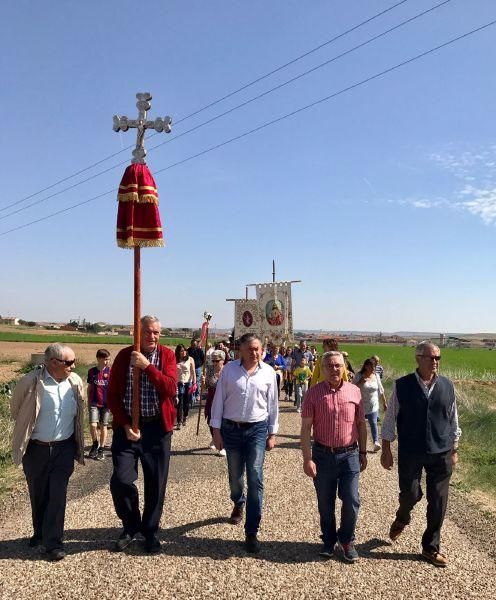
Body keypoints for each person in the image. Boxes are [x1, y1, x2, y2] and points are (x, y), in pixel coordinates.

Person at [381, 342, 461, 567]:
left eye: (438, 358)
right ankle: (403, 516)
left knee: (438, 500)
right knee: (411, 493)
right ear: (418, 358)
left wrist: (454, 448)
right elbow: (390, 419)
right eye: (430, 357)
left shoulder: (448, 386)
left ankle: (430, 547)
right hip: (411, 451)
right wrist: (386, 449)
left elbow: (453, 419)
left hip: (441, 451)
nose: (435, 361)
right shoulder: (402, 385)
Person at [107, 315, 177, 554]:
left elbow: (170, 387)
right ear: (137, 333)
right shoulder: (124, 356)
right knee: (121, 480)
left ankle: (150, 531)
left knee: (156, 483)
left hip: (157, 429)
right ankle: (130, 525)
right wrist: (125, 425)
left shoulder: (166, 355)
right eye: (148, 332)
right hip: (127, 429)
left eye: (157, 332)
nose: (153, 336)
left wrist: (147, 367)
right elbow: (113, 397)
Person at [10, 343, 85, 561]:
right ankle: (40, 533)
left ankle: (54, 543)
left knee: (57, 495)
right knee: (38, 492)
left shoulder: (75, 382)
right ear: (53, 363)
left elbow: (78, 412)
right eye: (69, 362)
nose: (73, 366)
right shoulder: (31, 382)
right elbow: (16, 409)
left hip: (64, 448)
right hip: (36, 449)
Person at [210, 333, 279, 553]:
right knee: (235, 475)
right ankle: (238, 500)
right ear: (240, 350)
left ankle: (252, 531)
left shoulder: (268, 372)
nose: (254, 352)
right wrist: (216, 431)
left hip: (257, 430)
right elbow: (218, 400)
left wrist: (272, 433)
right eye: (250, 349)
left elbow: (273, 405)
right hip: (231, 430)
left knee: (256, 477)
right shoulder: (229, 370)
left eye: (257, 348)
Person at [301, 351, 367, 563]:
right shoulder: (313, 393)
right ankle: (329, 539)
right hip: (323, 455)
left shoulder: (355, 392)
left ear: (344, 368)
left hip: (350, 455)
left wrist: (364, 452)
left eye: (338, 365)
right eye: (329, 366)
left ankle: (347, 540)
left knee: (351, 499)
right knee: (325, 502)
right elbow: (305, 429)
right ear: (322, 368)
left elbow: (361, 425)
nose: (334, 369)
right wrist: (307, 458)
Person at [353, 359, 387, 452]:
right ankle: (356, 441)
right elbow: (352, 388)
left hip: (373, 404)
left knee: (373, 422)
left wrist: (384, 402)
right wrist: (361, 382)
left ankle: (376, 442)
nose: (373, 368)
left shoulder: (376, 376)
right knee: (359, 423)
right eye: (372, 366)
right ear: (366, 366)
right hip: (360, 403)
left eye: (374, 366)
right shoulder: (359, 375)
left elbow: (381, 389)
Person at [87, 348, 111, 460]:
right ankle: (95, 443)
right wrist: (88, 401)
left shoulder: (110, 372)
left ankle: (101, 449)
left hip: (106, 405)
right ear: (98, 359)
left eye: (108, 359)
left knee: (103, 426)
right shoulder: (92, 372)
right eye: (105, 359)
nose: (107, 361)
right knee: (93, 425)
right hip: (94, 403)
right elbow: (89, 388)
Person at [203, 349, 226, 456]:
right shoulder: (210, 370)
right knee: (210, 421)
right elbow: (205, 387)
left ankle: (222, 446)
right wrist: (203, 382)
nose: (214, 363)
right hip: (212, 397)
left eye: (217, 361)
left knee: (223, 421)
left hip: (224, 398)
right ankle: (214, 437)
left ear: (223, 360)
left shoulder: (227, 370)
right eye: (213, 361)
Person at [175, 344, 196, 429]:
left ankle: (185, 416)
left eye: (184, 350)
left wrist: (194, 383)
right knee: (179, 402)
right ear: (178, 352)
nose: (183, 352)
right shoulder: (175, 359)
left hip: (188, 383)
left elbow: (193, 371)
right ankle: (179, 421)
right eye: (181, 351)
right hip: (179, 383)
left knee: (186, 402)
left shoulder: (190, 359)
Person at [187, 338, 205, 405]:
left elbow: (203, 358)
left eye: (194, 344)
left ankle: (197, 395)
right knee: (191, 382)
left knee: (197, 382)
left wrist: (200, 364)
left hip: (197, 368)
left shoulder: (199, 350)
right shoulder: (188, 350)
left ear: (196, 344)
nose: (193, 345)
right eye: (192, 344)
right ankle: (192, 395)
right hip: (190, 368)